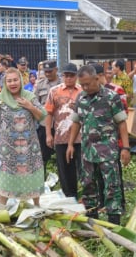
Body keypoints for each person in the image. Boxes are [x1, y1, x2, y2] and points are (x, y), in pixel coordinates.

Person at [66, 65, 130, 225]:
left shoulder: (111, 97)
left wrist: (126, 148)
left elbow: (121, 123)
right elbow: (76, 122)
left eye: (88, 84)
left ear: (97, 78)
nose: (86, 87)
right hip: (87, 151)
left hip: (107, 151)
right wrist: (70, 144)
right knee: (88, 185)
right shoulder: (81, 98)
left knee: (111, 186)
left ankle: (113, 221)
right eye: (83, 85)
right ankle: (92, 221)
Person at [0, 68, 47, 206]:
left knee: (32, 173)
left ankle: (36, 205)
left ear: (21, 80)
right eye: (9, 80)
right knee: (4, 178)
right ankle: (2, 208)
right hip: (6, 149)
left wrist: (30, 106)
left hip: (29, 147)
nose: (13, 83)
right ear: (5, 83)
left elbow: (42, 117)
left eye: (15, 80)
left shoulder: (30, 97)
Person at [44, 63, 82, 198]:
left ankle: (87, 195)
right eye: (66, 76)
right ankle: (69, 196)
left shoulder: (83, 91)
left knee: (83, 167)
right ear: (62, 76)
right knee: (65, 169)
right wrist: (48, 134)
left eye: (72, 76)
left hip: (81, 137)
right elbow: (48, 113)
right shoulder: (54, 91)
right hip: (61, 136)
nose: (69, 79)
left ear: (76, 76)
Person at [34, 60, 62, 176]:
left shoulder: (63, 83)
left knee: (61, 155)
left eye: (50, 71)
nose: (48, 74)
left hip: (60, 125)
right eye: (46, 71)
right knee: (44, 155)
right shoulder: (40, 84)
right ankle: (44, 179)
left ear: (56, 69)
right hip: (44, 124)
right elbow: (35, 102)